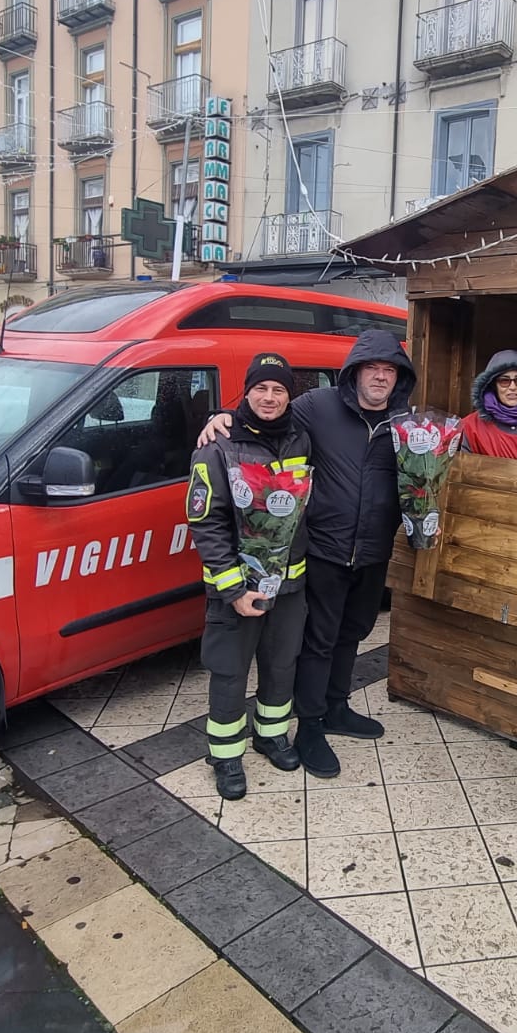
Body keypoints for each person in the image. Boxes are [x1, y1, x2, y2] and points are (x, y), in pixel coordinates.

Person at [197, 329, 416, 778]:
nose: (379, 376)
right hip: (325, 550)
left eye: (389, 369)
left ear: (400, 378)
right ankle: (310, 724)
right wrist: (220, 416)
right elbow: (262, 412)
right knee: (317, 640)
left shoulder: (407, 423)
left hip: (372, 551)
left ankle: (337, 707)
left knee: (353, 632)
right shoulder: (317, 407)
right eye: (371, 368)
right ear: (354, 373)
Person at [185, 353, 311, 800]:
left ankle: (270, 735)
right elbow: (206, 524)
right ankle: (225, 755)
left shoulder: (302, 437)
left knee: (281, 664)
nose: (270, 397)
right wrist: (234, 589)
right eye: (261, 388)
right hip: (237, 591)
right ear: (247, 391)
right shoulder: (217, 446)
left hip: (289, 587)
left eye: (279, 389)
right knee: (230, 671)